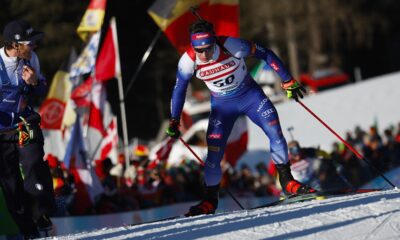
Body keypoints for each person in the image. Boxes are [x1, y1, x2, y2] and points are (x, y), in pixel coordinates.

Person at [166, 19, 315, 217]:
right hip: (222, 107)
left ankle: (287, 181)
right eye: (199, 50)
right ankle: (210, 200)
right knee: (214, 154)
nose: (204, 55)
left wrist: (287, 80)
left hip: (250, 96)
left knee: (275, 131)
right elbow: (179, 89)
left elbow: (265, 53)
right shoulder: (188, 60)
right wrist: (174, 120)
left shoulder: (231, 46)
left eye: (208, 49)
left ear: (214, 42)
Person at [0, 19, 55, 238]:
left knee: (34, 163)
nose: (34, 47)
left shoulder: (32, 59)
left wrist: (34, 83)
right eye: (30, 43)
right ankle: (29, 231)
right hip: (1, 133)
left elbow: (39, 90)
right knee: (11, 186)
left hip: (24, 124)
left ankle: (42, 211)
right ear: (15, 45)